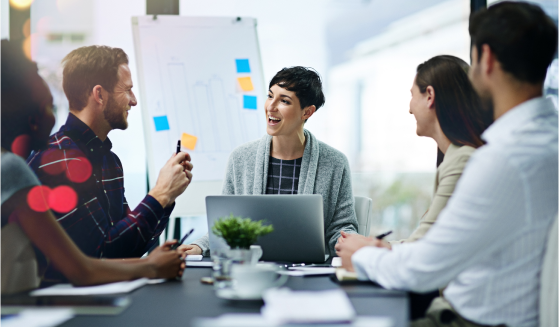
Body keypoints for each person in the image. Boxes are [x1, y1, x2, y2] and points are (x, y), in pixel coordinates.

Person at [336, 2, 559, 327]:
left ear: (487, 58)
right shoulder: (547, 141)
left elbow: (423, 267)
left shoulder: (502, 160)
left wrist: (363, 255)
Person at [0, 39, 185, 294]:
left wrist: (164, 199)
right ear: (99, 94)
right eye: (127, 90)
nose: (134, 101)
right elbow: (95, 258)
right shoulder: (57, 160)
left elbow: (126, 244)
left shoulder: (110, 160)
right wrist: (160, 195)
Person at [182, 66, 358, 256]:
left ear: (307, 112)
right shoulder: (240, 158)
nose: (271, 107)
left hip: (308, 270)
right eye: (270, 96)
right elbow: (225, 226)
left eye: (284, 101)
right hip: (250, 267)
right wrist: (201, 246)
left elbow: (341, 227)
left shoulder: (334, 163)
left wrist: (347, 244)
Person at [338, 55, 491, 249]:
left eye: (412, 96)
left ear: (430, 96)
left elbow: (422, 249)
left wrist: (367, 248)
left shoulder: (462, 160)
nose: (410, 109)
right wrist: (370, 244)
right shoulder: (458, 156)